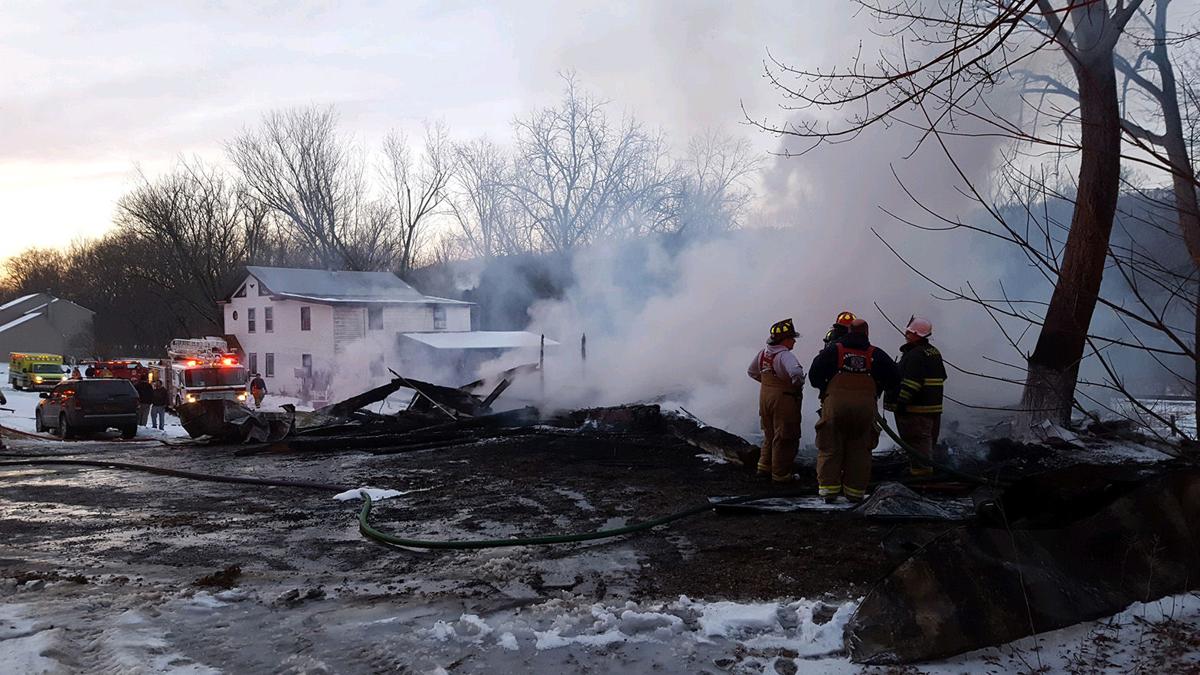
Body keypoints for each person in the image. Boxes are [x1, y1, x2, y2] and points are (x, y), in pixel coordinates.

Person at [808, 319, 900, 503]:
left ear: (849, 331)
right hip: (864, 409)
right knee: (860, 450)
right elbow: (895, 378)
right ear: (867, 333)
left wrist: (825, 388)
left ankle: (828, 492)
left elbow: (814, 376)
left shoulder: (833, 351)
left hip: (835, 407)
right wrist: (879, 387)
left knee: (831, 446)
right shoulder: (876, 354)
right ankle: (855, 493)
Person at [884, 316, 947, 477]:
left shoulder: (915, 355)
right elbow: (942, 376)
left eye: (909, 332)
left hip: (916, 411)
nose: (906, 334)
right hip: (932, 409)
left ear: (916, 334)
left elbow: (912, 383)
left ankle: (921, 479)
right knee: (926, 443)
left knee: (917, 444)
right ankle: (923, 472)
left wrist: (901, 403)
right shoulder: (933, 352)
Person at [747, 318, 806, 483]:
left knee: (769, 434)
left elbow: (752, 372)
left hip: (765, 398)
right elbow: (796, 373)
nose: (794, 341)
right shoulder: (785, 356)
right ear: (784, 340)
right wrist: (795, 384)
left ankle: (764, 467)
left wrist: (769, 385)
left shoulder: (763, 353)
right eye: (792, 338)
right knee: (785, 436)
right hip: (784, 399)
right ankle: (781, 475)